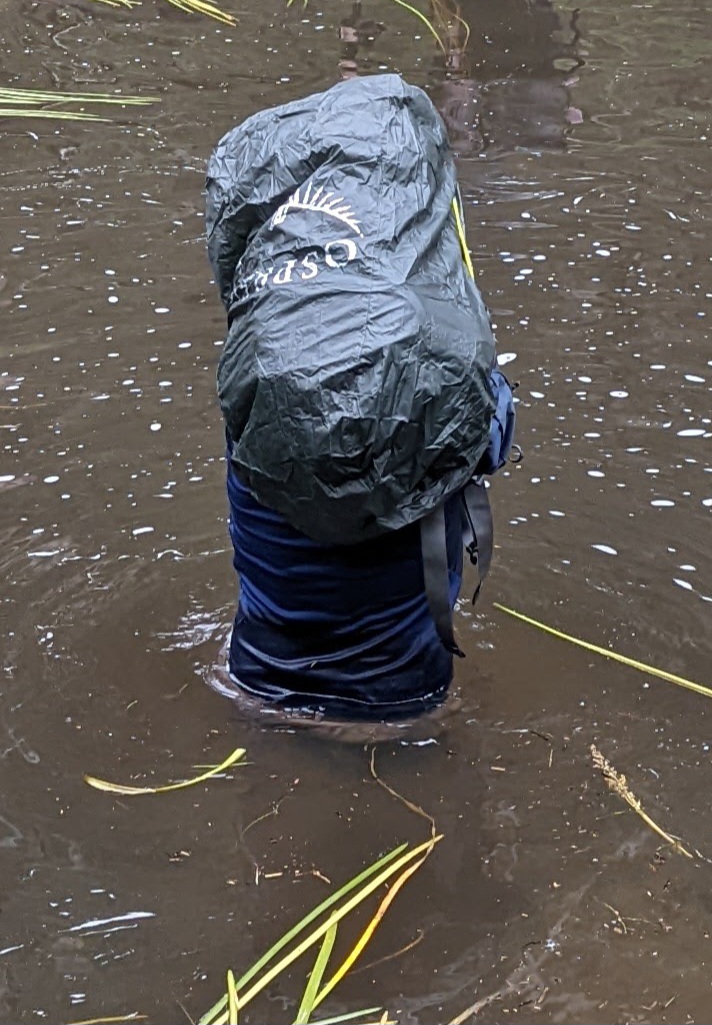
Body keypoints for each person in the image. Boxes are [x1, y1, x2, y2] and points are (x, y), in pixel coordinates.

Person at [209, 75, 516, 724]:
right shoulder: (450, 403)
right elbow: (495, 424)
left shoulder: (256, 399)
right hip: (404, 703)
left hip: (256, 686)